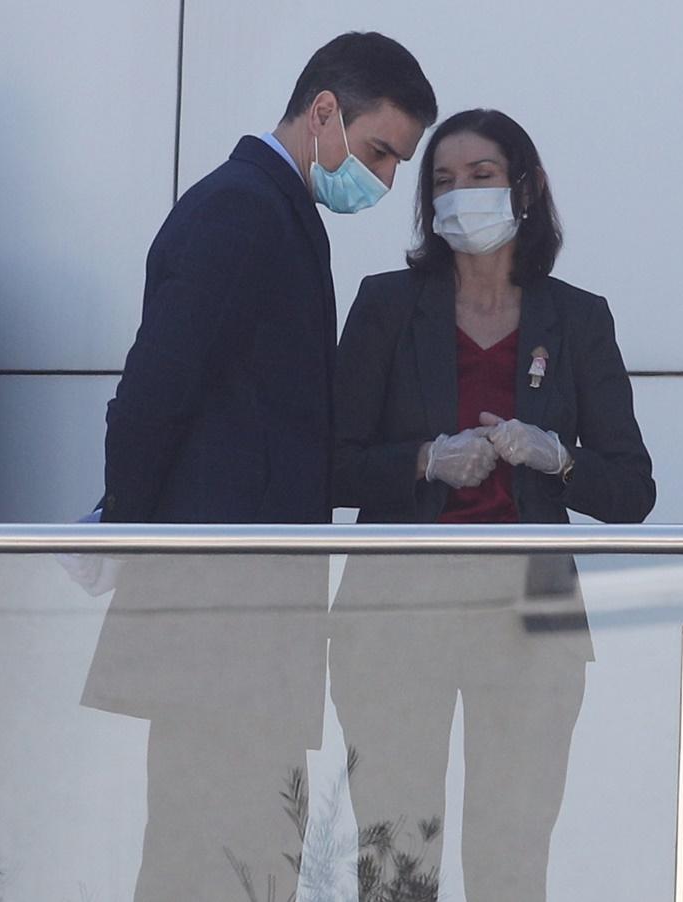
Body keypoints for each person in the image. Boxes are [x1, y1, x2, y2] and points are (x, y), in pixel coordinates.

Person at [81, 32, 437, 902]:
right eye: (379, 150)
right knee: (219, 858)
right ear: (324, 112)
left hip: (248, 619)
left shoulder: (271, 209)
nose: (387, 181)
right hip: (218, 617)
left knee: (244, 853)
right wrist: (126, 527)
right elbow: (152, 395)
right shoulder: (242, 209)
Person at [329, 108, 654, 901]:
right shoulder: (386, 305)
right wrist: (421, 460)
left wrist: (560, 458)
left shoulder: (577, 318)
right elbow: (326, 463)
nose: (460, 195)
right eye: (442, 181)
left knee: (512, 857)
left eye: (480, 177)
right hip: (398, 616)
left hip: (529, 624)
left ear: (525, 188)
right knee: (398, 859)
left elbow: (633, 490)